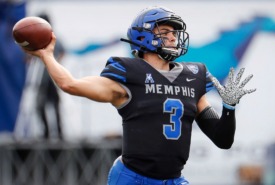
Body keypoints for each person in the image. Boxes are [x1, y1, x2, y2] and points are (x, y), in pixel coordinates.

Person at [21, 6, 256, 185]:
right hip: (133, 178)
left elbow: (223, 140)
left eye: (174, 32)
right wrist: (47, 56)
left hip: (174, 179)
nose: (173, 37)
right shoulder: (128, 75)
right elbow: (69, 84)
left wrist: (229, 107)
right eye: (165, 31)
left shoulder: (193, 77)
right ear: (143, 37)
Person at [35, 12, 65, 140]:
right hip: (43, 78)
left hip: (52, 78)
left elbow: (63, 52)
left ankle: (58, 133)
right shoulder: (38, 39)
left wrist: (53, 63)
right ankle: (48, 132)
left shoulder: (53, 38)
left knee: (54, 104)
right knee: (41, 105)